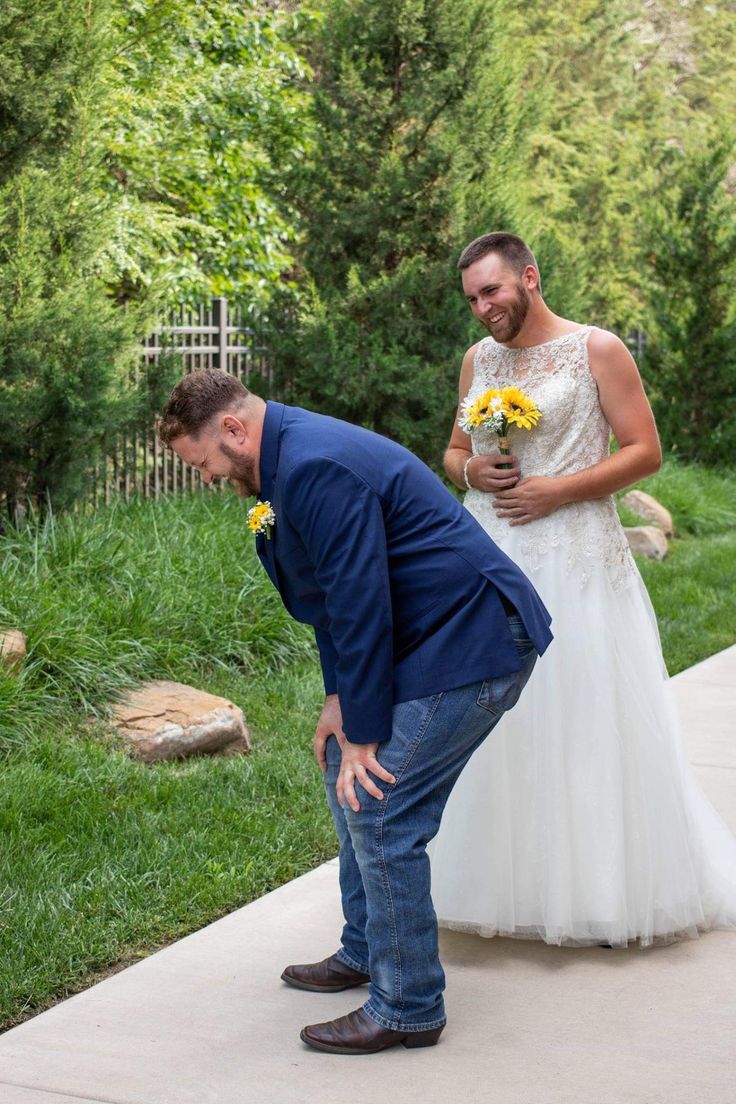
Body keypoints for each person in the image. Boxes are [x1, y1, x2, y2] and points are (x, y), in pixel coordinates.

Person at [157, 369, 553, 1054]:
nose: (208, 477)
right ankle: (369, 947)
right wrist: (342, 706)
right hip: (429, 636)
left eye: (205, 463)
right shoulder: (284, 462)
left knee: (379, 803)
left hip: (475, 637)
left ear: (232, 429)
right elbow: (335, 599)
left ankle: (408, 1006)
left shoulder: (314, 466)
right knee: (344, 760)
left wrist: (369, 733)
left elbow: (364, 599)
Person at [429, 231, 736, 947]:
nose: (482, 308)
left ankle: (594, 892)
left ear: (530, 278)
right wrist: (473, 472)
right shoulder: (479, 360)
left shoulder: (596, 349)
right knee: (487, 723)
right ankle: (492, 883)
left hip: (574, 557)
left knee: (581, 717)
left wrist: (557, 492)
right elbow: (451, 450)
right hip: (490, 555)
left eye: (493, 290)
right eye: (472, 297)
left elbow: (645, 452)